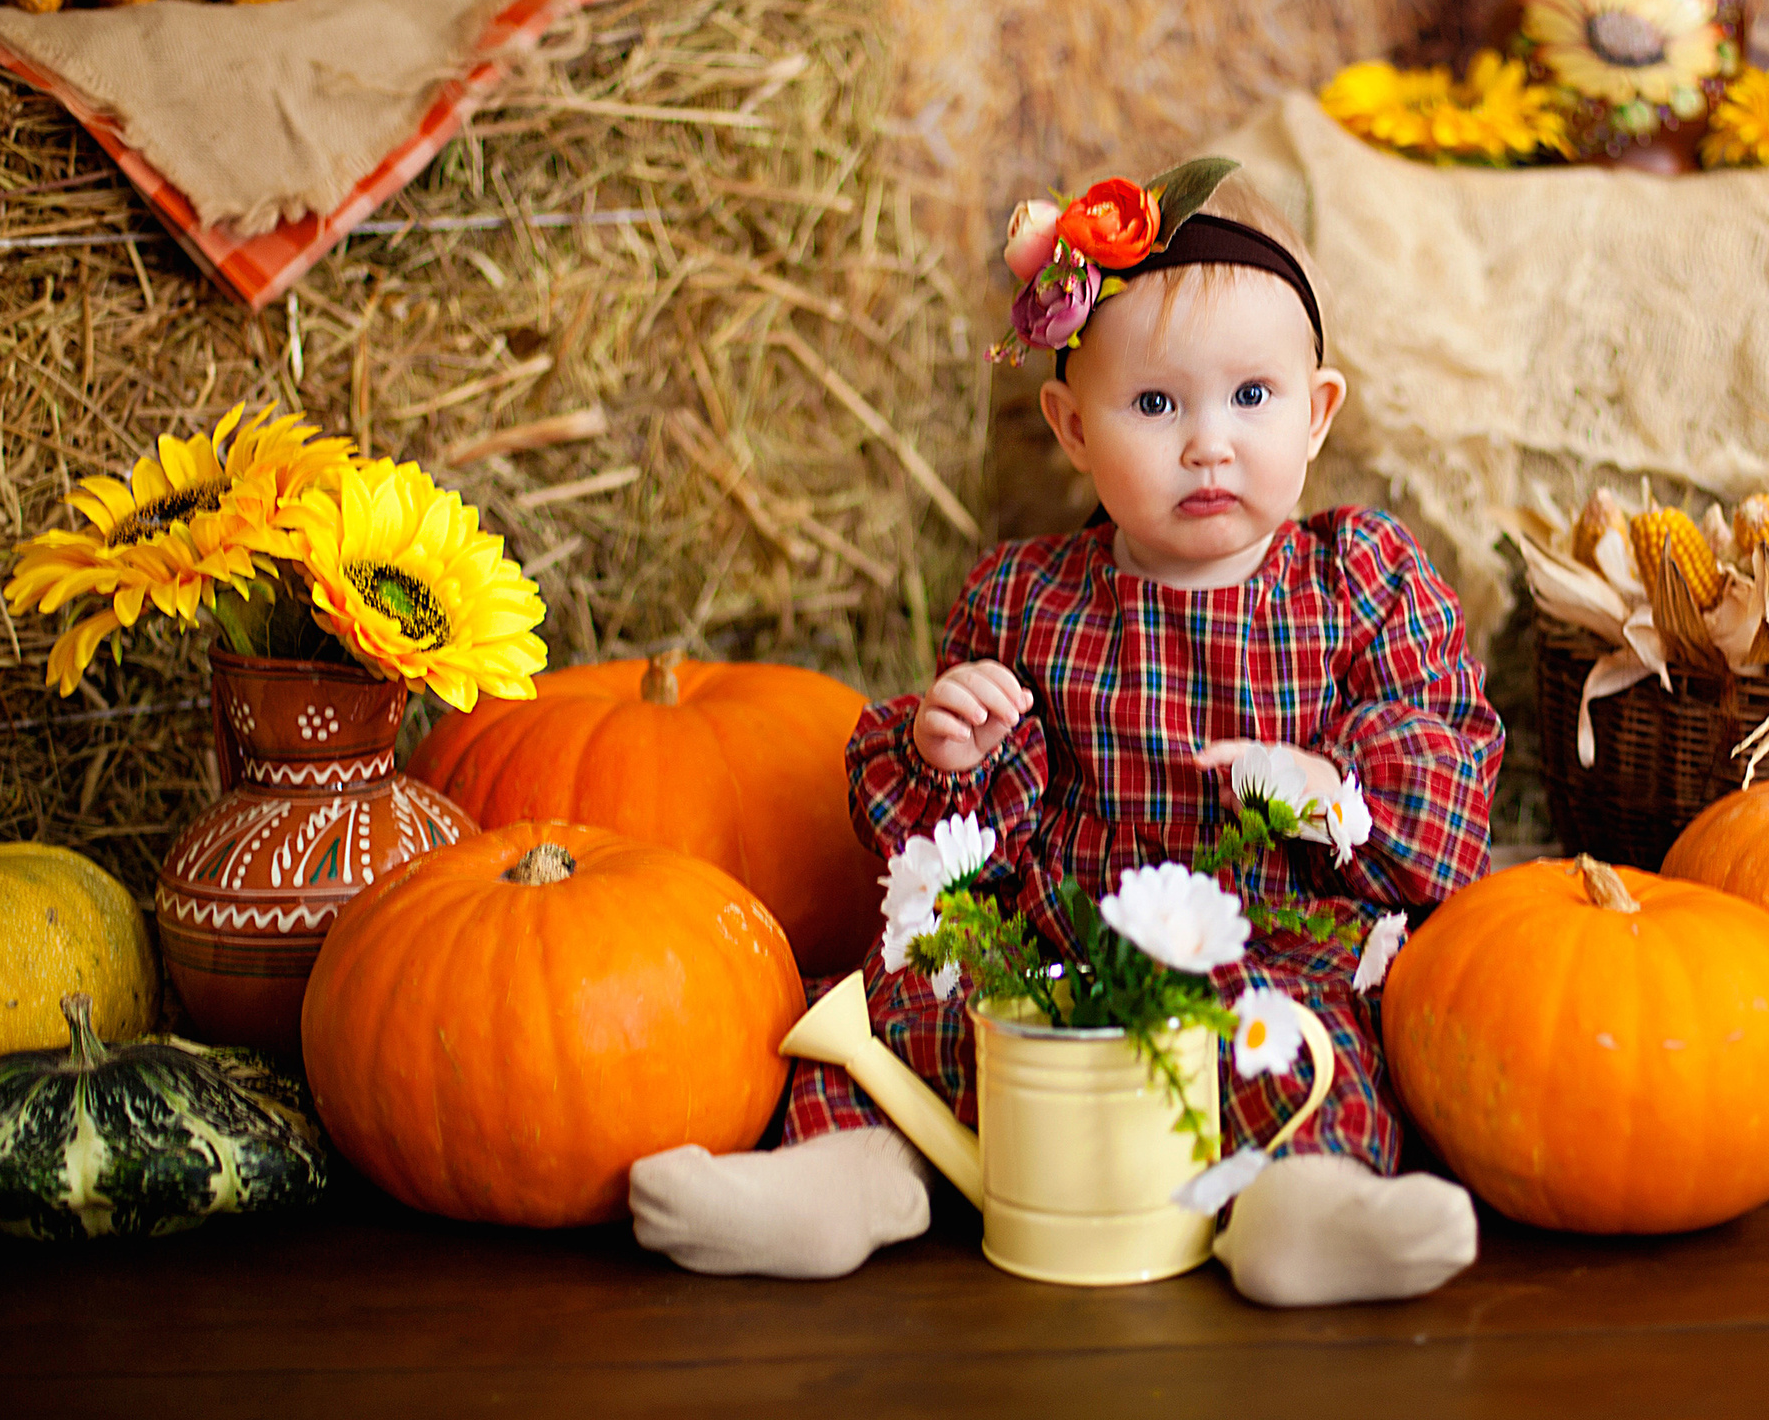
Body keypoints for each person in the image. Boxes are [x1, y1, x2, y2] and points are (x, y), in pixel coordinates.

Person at [630, 165, 1504, 1306]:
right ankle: (853, 1174)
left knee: (1305, 1038)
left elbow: (1446, 781)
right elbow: (954, 858)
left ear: (1318, 410)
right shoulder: (1025, 596)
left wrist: (1328, 789)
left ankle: (1300, 1205)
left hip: (1270, 943)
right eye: (1155, 406)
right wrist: (950, 756)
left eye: (1251, 397)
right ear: (1073, 428)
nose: (1207, 444)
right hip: (1057, 943)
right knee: (918, 994)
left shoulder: (1362, 582)